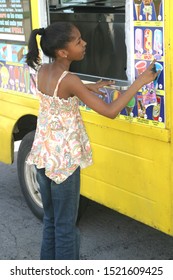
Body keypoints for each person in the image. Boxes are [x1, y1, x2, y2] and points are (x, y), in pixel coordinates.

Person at [26, 22, 159, 260]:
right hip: (64, 165)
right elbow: (110, 111)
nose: (84, 43)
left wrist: (86, 88)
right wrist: (140, 82)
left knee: (51, 222)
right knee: (66, 229)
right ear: (63, 52)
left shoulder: (44, 70)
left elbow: (61, 92)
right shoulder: (70, 80)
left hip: (43, 158)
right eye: (78, 41)